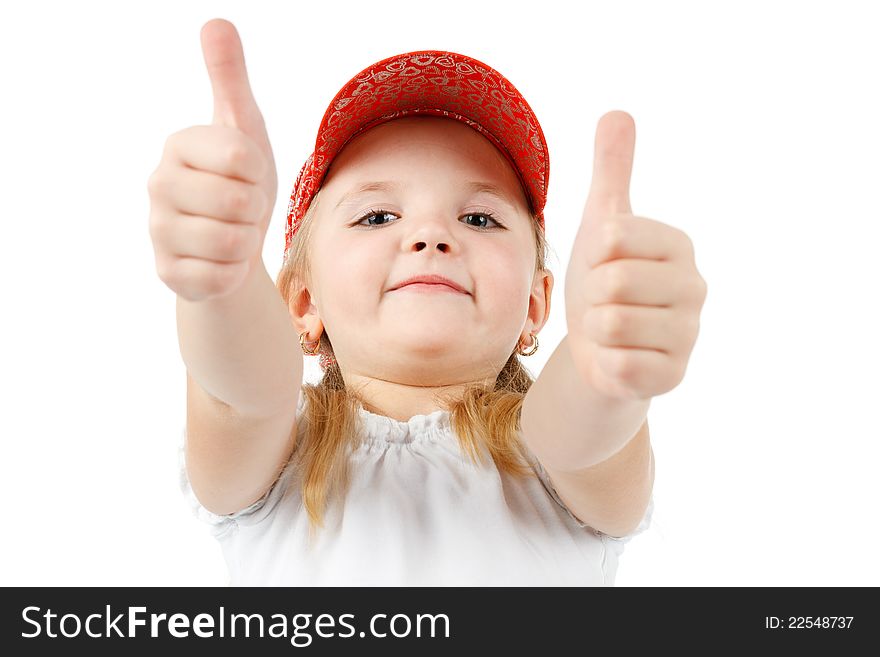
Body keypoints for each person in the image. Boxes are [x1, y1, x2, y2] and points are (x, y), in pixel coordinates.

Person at [148, 19, 707, 586]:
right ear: (303, 301)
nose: (431, 236)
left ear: (536, 304)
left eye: (479, 218)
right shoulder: (274, 456)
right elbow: (242, 390)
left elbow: (581, 430)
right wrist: (225, 285)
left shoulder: (553, 459)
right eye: (377, 217)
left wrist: (602, 364)